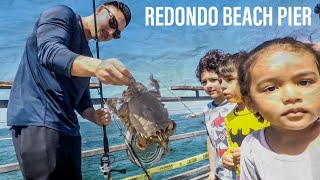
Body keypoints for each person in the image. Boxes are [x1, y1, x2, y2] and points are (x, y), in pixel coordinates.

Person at [7, 1, 132, 179]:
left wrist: (93, 115)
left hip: (70, 130)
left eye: (117, 33)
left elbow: (82, 99)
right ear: (99, 9)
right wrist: (96, 66)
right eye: (112, 22)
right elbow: (49, 52)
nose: (112, 32)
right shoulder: (62, 14)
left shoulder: (87, 54)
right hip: (38, 121)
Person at [238, 37, 320, 180]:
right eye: (270, 88)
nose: (291, 96)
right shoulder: (252, 147)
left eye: (304, 82)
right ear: (251, 103)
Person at [218, 52, 269, 179]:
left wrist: (249, 153)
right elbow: (234, 147)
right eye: (220, 81)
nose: (222, 86)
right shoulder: (229, 118)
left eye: (229, 79)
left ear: (247, 79)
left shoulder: (266, 112)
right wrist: (227, 156)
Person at [195, 50, 236, 180]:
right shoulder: (207, 109)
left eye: (213, 80)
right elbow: (211, 142)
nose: (208, 86)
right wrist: (212, 171)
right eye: (204, 82)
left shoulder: (237, 103)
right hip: (221, 174)